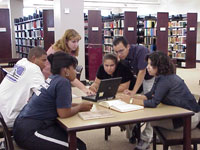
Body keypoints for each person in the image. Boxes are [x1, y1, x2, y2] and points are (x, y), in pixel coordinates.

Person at [13, 51, 93, 150]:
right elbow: (63, 113)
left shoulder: (53, 79)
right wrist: (80, 107)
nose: (76, 72)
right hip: (30, 132)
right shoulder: (63, 82)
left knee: (76, 142)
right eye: (73, 68)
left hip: (21, 125)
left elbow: (58, 104)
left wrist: (77, 105)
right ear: (65, 70)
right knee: (77, 148)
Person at [123, 51, 200, 150]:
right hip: (183, 114)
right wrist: (133, 96)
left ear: (160, 66)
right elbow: (150, 95)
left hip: (189, 118)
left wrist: (130, 101)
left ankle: (180, 144)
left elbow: (153, 103)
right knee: (153, 119)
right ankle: (177, 144)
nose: (147, 67)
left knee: (152, 121)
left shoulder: (166, 80)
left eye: (151, 65)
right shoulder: (161, 77)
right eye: (148, 64)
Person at [113, 37, 155, 147]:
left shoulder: (141, 51)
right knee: (127, 101)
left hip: (152, 77)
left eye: (121, 51)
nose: (119, 54)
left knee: (150, 106)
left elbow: (142, 72)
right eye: (116, 52)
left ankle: (146, 138)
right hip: (139, 78)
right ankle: (133, 129)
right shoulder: (123, 58)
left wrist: (133, 92)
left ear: (128, 47)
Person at [0, 47, 47, 127]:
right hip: (10, 117)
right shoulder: (34, 69)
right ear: (34, 58)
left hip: (2, 113)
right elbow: (45, 95)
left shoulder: (22, 62)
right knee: (46, 116)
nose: (45, 64)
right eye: (43, 60)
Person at [43, 29, 94, 95]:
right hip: (48, 79)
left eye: (77, 41)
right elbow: (69, 75)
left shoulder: (69, 50)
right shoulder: (58, 52)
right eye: (73, 42)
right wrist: (84, 89)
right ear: (66, 41)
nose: (76, 44)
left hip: (56, 79)